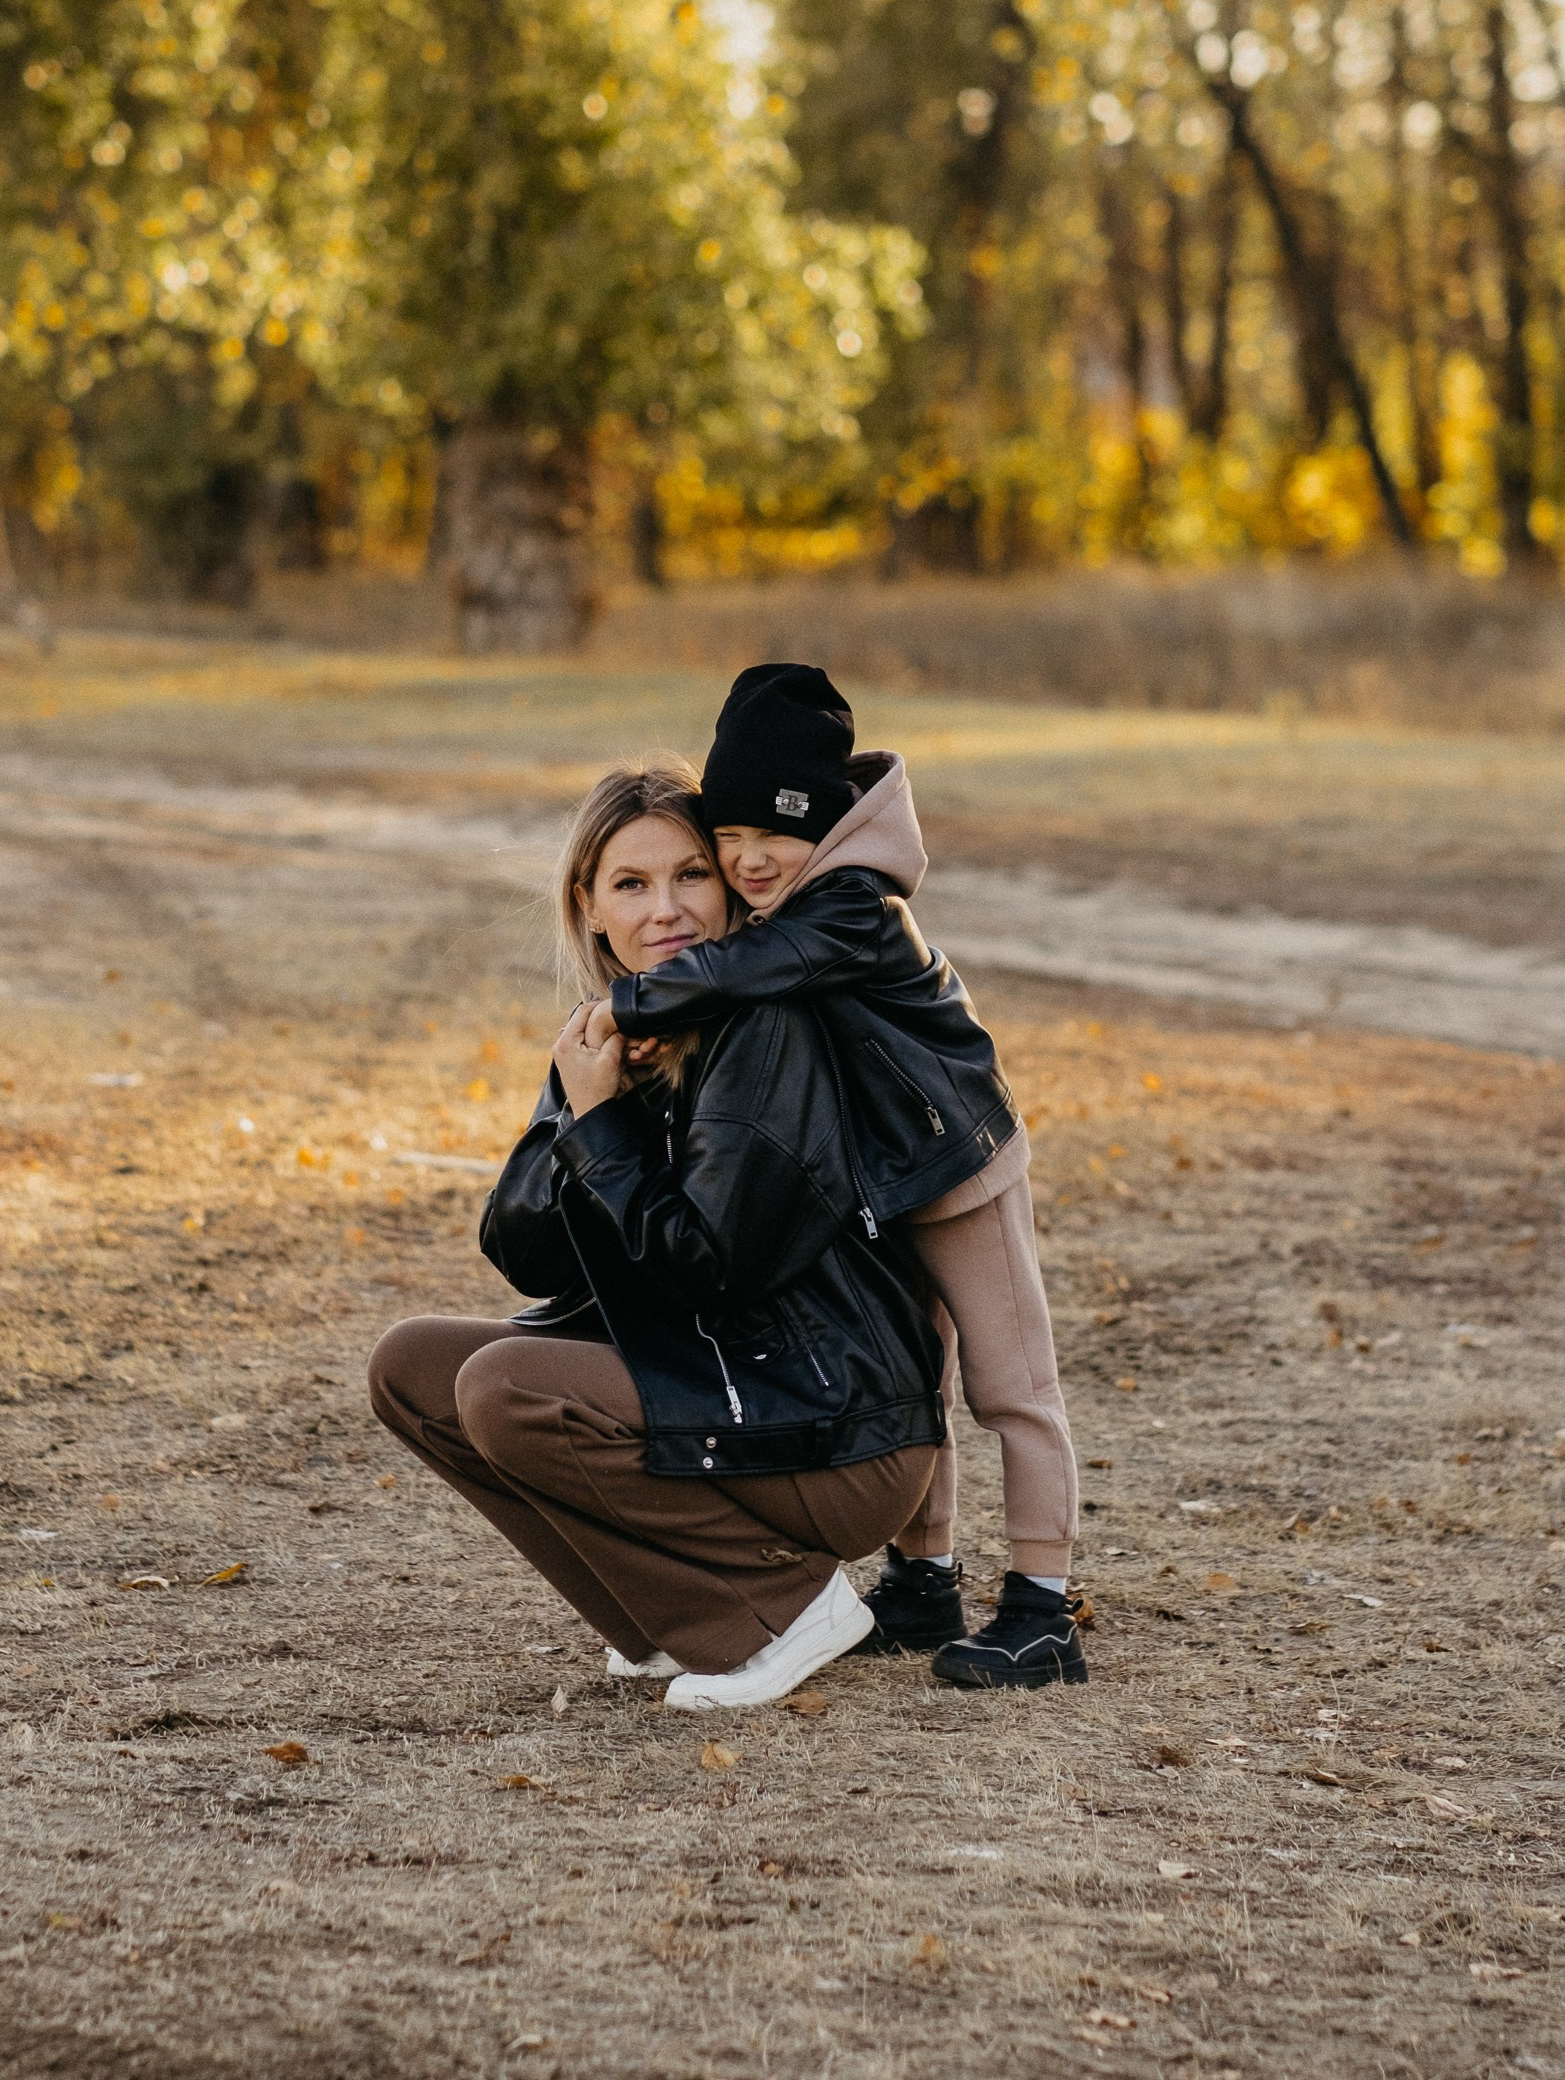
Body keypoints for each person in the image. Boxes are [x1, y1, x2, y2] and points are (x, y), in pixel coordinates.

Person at [366, 762, 946, 1711]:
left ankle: (781, 1607)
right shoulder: (613, 1032)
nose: (665, 910)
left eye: (690, 876)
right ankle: (663, 1622)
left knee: (507, 1389)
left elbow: (709, 1267)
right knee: (412, 1369)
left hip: (838, 1428)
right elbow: (523, 1251)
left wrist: (600, 1128)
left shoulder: (769, 1026)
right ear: (589, 907)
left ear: (732, 888)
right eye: (631, 885)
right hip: (725, 1389)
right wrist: (593, 1109)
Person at [605, 663, 1087, 1692]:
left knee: (1012, 1385)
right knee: (917, 1377)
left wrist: (631, 1004)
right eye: (726, 839)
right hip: (876, 1178)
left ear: (823, 826)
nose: (745, 860)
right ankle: (922, 1581)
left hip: (953, 1162)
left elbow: (740, 971)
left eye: (770, 835)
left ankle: (1043, 1609)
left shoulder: (858, 907)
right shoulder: (788, 909)